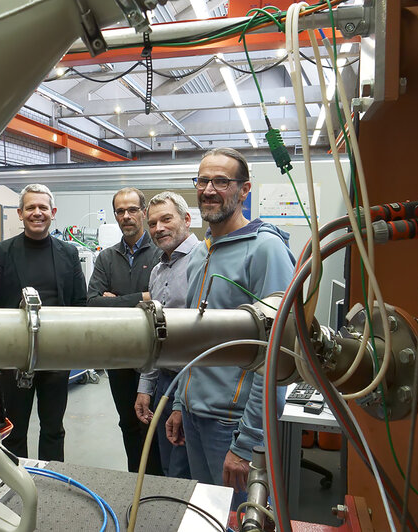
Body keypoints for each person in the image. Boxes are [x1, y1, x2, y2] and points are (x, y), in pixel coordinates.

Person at [165, 148, 294, 507]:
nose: (208, 189)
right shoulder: (200, 254)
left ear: (244, 189)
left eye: (221, 181)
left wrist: (250, 440)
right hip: (194, 416)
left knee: (238, 520)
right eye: (203, 180)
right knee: (209, 515)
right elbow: (195, 340)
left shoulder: (265, 250)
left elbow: (276, 355)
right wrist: (179, 402)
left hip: (233, 425)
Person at [0, 184, 87, 461]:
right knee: (14, 430)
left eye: (43, 207)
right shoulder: (2, 252)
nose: (37, 212)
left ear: (53, 212)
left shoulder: (68, 252)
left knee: (54, 428)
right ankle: (17, 481)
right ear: (20, 213)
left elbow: (80, 303)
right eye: (30, 207)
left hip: (56, 354)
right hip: (16, 355)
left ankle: (53, 478)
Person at [87, 187, 163, 475]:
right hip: (119, 355)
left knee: (154, 424)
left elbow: (161, 300)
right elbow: (93, 302)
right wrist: (141, 297)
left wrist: (117, 300)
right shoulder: (107, 257)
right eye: (121, 211)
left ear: (143, 212)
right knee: (128, 423)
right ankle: (136, 482)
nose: (126, 216)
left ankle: (157, 482)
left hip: (153, 355)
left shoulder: (160, 251)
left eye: (132, 210)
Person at [133, 191, 198, 479]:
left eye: (166, 219)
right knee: (170, 467)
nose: (158, 228)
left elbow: (203, 340)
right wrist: (145, 386)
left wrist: (182, 401)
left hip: (196, 383)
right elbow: (154, 336)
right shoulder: (158, 271)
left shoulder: (205, 262)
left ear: (186, 219)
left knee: (191, 473)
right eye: (153, 223)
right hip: (164, 383)